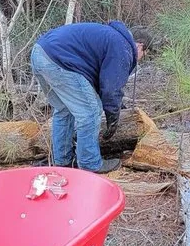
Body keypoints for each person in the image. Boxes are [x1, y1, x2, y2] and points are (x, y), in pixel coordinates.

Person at [31, 21, 153, 174]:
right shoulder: (123, 48)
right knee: (90, 113)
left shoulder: (110, 37)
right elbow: (110, 88)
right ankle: (89, 164)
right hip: (60, 62)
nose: (141, 58)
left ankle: (62, 161)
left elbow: (97, 83)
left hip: (39, 53)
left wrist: (117, 106)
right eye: (144, 54)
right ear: (140, 46)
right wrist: (113, 118)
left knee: (64, 110)